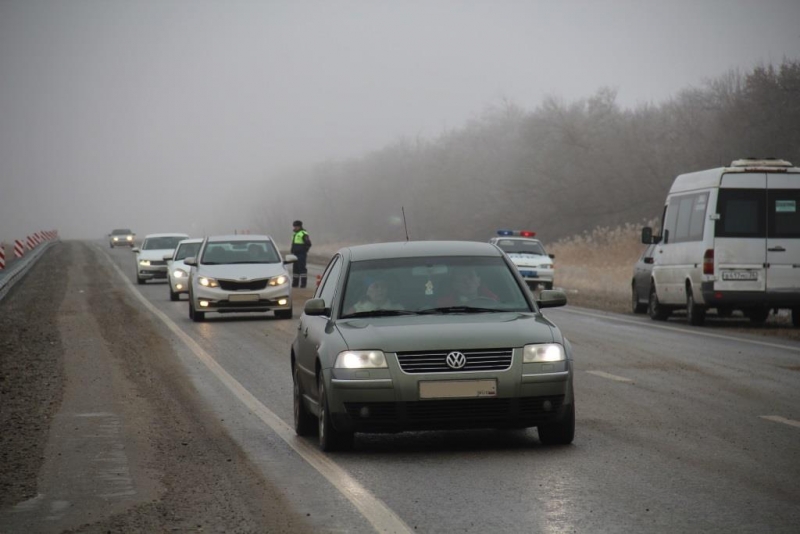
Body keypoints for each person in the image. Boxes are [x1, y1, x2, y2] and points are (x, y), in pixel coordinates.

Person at [291, 220, 311, 288]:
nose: (294, 228)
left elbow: (308, 244)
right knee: (295, 269)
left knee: (302, 268)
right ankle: (295, 283)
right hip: (295, 254)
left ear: (299, 226)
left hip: (301, 254)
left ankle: (303, 284)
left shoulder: (303, 233)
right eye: (294, 226)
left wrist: (304, 251)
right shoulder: (295, 234)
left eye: (296, 226)